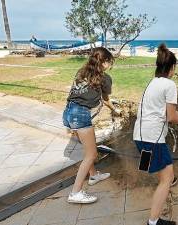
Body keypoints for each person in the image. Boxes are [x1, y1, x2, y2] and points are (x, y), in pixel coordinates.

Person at [133, 43, 178, 225]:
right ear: (172, 67)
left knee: (157, 168)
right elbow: (170, 117)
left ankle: (152, 174)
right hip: (153, 138)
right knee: (167, 179)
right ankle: (153, 222)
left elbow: (158, 110)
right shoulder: (170, 85)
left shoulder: (152, 83)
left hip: (140, 135)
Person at [63, 47, 121, 204]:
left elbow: (79, 93)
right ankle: (75, 193)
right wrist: (115, 109)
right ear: (104, 62)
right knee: (91, 155)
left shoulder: (81, 72)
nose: (110, 65)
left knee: (88, 148)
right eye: (110, 62)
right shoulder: (105, 78)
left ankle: (94, 175)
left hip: (68, 112)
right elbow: (106, 99)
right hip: (80, 115)